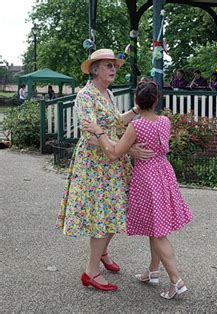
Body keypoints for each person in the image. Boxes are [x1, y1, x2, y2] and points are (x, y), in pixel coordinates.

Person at [83, 80, 193, 300]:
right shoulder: (164, 121)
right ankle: (152, 272)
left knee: (158, 232)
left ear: (136, 101)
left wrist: (99, 132)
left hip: (147, 178)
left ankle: (176, 281)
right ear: (156, 100)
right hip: (164, 173)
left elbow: (114, 153)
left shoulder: (137, 126)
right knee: (156, 227)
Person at [56, 48, 153, 292]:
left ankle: (103, 253)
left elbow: (113, 123)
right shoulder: (85, 96)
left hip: (113, 161)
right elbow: (91, 137)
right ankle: (91, 271)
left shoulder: (107, 93)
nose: (113, 69)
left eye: (114, 66)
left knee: (118, 211)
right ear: (95, 69)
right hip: (95, 164)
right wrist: (127, 150)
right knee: (102, 215)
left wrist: (135, 111)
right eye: (108, 65)